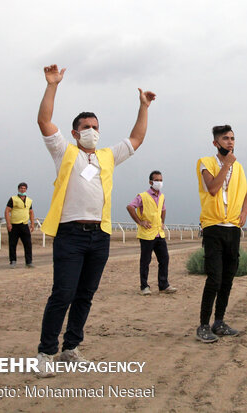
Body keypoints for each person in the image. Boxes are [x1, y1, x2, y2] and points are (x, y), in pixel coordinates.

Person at [35, 64, 156, 376]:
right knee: (63, 293)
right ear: (76, 132)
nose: (93, 130)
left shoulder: (106, 156)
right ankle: (46, 352)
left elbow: (136, 138)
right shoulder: (65, 151)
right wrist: (52, 86)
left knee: (85, 296)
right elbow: (44, 121)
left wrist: (143, 106)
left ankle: (70, 348)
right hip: (71, 234)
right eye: (87, 126)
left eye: (96, 126)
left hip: (100, 236)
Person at [195, 125, 247, 343]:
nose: (230, 142)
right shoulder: (205, 163)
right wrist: (226, 165)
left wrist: (244, 211)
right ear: (216, 143)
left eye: (233, 138)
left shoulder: (239, 167)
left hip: (233, 228)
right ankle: (203, 325)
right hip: (213, 227)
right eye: (225, 138)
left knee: (228, 277)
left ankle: (219, 322)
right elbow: (213, 188)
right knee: (214, 278)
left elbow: (246, 190)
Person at [126, 170, 177, 296]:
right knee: (145, 261)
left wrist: (162, 222)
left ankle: (163, 285)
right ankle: (144, 286)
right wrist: (140, 222)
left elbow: (163, 210)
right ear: (150, 182)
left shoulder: (162, 196)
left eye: (161, 180)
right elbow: (130, 207)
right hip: (147, 234)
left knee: (164, 259)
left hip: (159, 233)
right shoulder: (142, 196)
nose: (159, 182)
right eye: (157, 180)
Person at [5, 182, 35, 268]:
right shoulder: (13, 199)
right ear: (18, 189)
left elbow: (31, 212)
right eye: (21, 188)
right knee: (12, 244)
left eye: (24, 188)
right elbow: (7, 211)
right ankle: (13, 261)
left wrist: (32, 224)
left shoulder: (29, 200)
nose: (23, 190)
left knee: (28, 244)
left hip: (24, 225)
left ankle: (29, 262)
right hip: (14, 225)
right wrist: (8, 223)